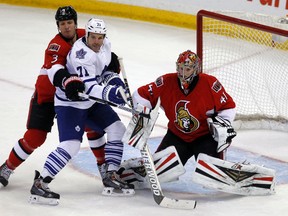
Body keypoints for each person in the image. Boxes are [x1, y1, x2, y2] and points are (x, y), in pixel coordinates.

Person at [0, 6, 118, 188]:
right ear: (58, 26)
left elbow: (103, 52)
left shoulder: (86, 35)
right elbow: (57, 71)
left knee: (94, 128)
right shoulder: (55, 46)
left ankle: (103, 167)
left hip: (74, 98)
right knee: (35, 137)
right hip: (48, 96)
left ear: (76, 23)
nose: (67, 27)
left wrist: (111, 64)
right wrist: (68, 81)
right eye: (62, 24)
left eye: (69, 23)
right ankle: (7, 168)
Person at [29, 17, 134, 205]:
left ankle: (110, 174)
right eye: (93, 37)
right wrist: (111, 94)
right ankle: (40, 183)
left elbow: (105, 72)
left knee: (117, 128)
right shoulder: (81, 54)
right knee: (71, 145)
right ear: (87, 34)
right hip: (71, 103)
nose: (97, 41)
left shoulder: (105, 45)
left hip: (90, 102)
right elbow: (90, 88)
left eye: (100, 37)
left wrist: (116, 84)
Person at [119, 50, 237, 186]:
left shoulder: (209, 83)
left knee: (213, 176)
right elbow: (140, 95)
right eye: (180, 68)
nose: (183, 73)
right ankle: (133, 167)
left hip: (205, 138)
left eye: (187, 69)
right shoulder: (166, 82)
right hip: (177, 136)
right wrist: (142, 113)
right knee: (159, 172)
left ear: (195, 69)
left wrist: (223, 125)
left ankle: (233, 171)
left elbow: (228, 106)